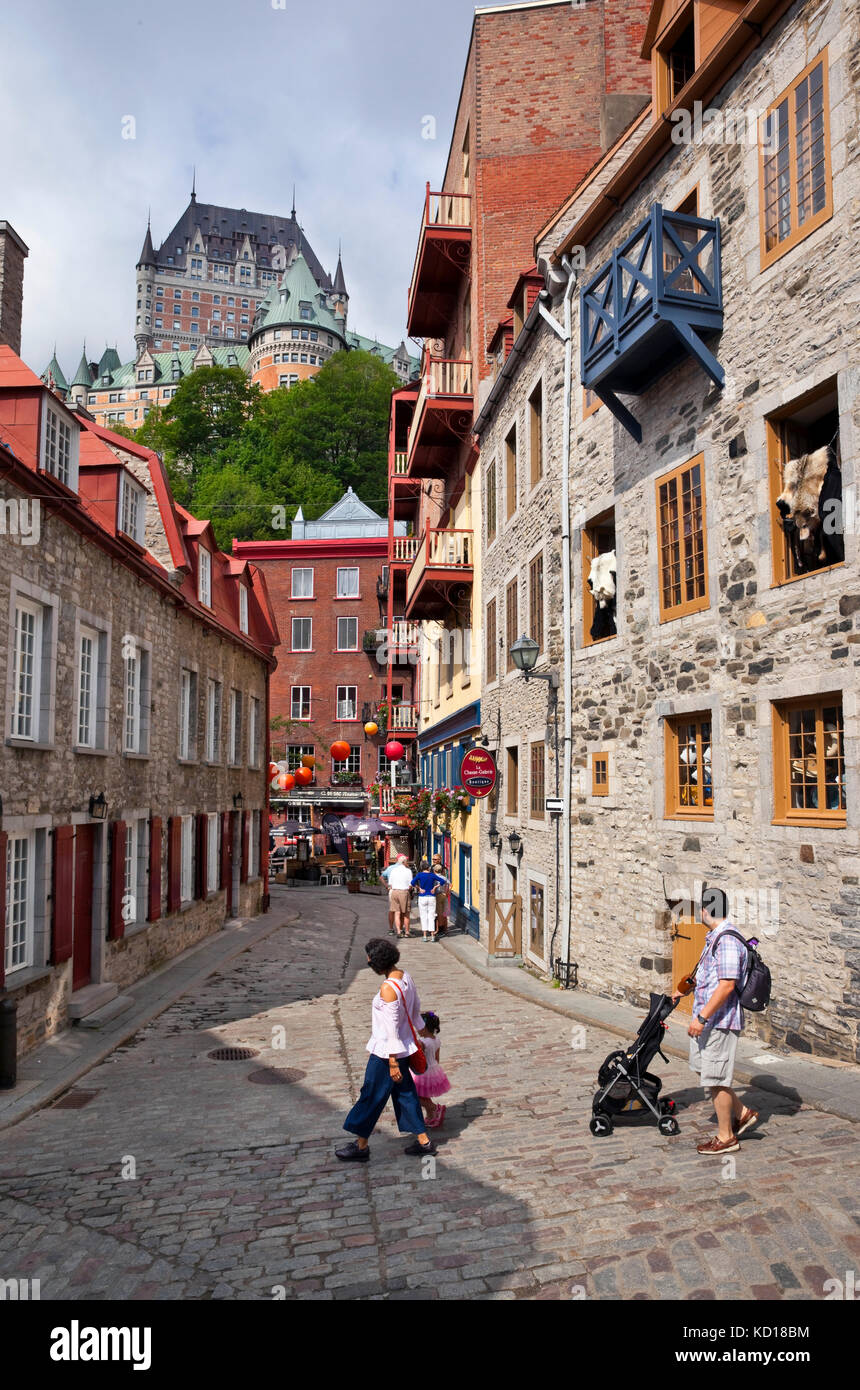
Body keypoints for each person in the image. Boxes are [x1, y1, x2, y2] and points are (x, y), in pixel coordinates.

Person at [335, 938, 438, 1162]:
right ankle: (424, 1142)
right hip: (403, 1049)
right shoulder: (406, 977)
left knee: (372, 1096)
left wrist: (392, 1061)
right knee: (405, 1095)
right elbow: (416, 1010)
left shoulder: (388, 988)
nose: (368, 961)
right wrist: (423, 1034)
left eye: (370, 958)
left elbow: (391, 1028)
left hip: (386, 1053)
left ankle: (361, 1147)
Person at [674, 887, 759, 1156]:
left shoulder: (727, 942)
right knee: (708, 1072)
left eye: (700, 907)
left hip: (719, 1021)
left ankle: (726, 1137)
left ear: (707, 909)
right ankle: (742, 1113)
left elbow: (726, 986)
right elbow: (710, 976)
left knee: (718, 1078)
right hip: (710, 1020)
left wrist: (702, 1017)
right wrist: (682, 990)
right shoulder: (714, 937)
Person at [413, 1010, 450, 1129]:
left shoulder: (422, 1042)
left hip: (423, 1071)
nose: (417, 1030)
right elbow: (437, 1058)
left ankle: (434, 1108)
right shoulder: (437, 1040)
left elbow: (416, 1055)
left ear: (423, 1028)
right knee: (423, 1095)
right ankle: (430, 1116)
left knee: (416, 1096)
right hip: (433, 1068)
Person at [412, 858, 448, 941]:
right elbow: (442, 881)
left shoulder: (419, 875)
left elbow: (412, 883)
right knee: (431, 916)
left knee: (423, 916)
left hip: (422, 897)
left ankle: (424, 936)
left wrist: (419, 888)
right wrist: (435, 887)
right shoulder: (432, 875)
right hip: (431, 897)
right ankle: (432, 936)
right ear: (428, 868)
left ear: (421, 867)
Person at [384, 854, 414, 938]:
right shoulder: (408, 871)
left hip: (394, 892)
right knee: (406, 913)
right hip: (403, 892)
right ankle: (407, 932)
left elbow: (390, 884)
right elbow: (410, 884)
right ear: (404, 862)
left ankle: (398, 931)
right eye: (406, 862)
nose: (407, 863)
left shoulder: (393, 870)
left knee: (397, 913)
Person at [431, 854, 450, 935]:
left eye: (436, 859)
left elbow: (446, 881)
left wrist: (446, 892)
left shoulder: (443, 869)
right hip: (435, 893)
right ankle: (436, 928)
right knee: (437, 912)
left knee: (442, 912)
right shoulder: (431, 868)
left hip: (441, 892)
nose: (435, 861)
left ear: (440, 859)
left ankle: (443, 929)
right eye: (433, 859)